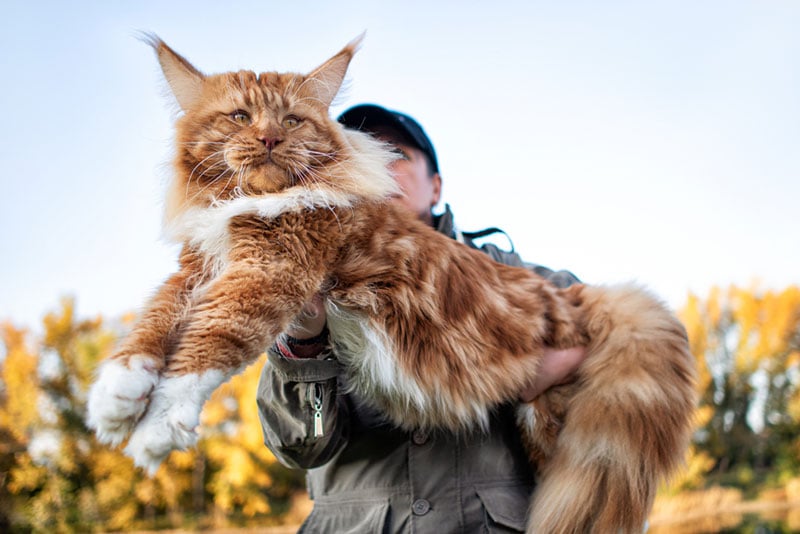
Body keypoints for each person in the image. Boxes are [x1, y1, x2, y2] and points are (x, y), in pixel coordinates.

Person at [257, 104, 586, 533]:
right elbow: (302, 443)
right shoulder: (307, 276)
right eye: (357, 153)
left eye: (393, 153)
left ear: (435, 186)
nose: (375, 163)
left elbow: (618, 327)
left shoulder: (510, 270)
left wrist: (561, 361)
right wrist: (303, 345)